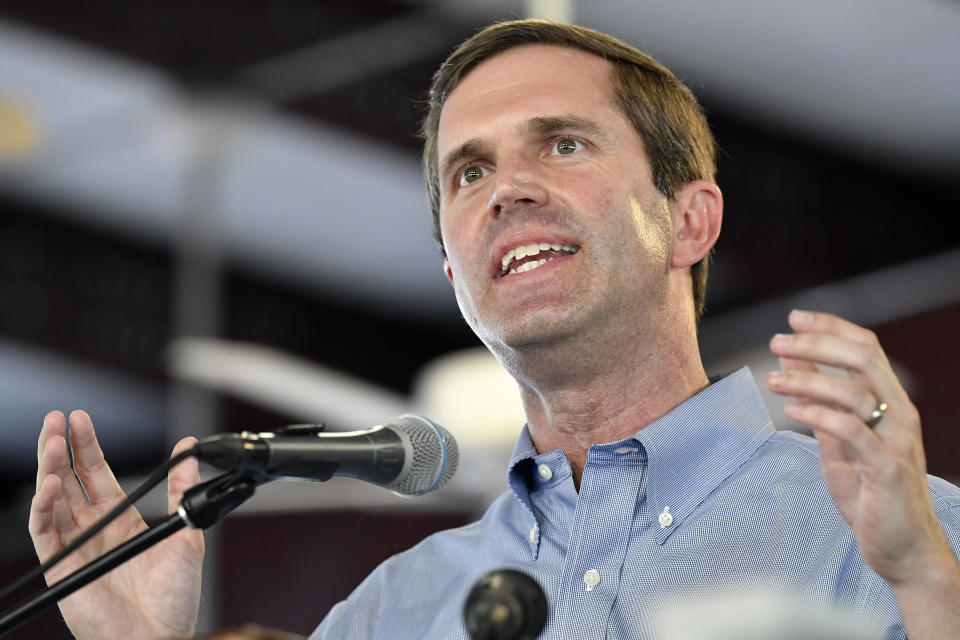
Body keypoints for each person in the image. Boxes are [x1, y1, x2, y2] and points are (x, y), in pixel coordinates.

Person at [29, 19, 960, 640]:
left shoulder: (915, 537)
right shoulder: (389, 614)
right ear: (455, 273)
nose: (507, 189)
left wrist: (927, 586)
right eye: (468, 174)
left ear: (691, 221)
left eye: (563, 143)